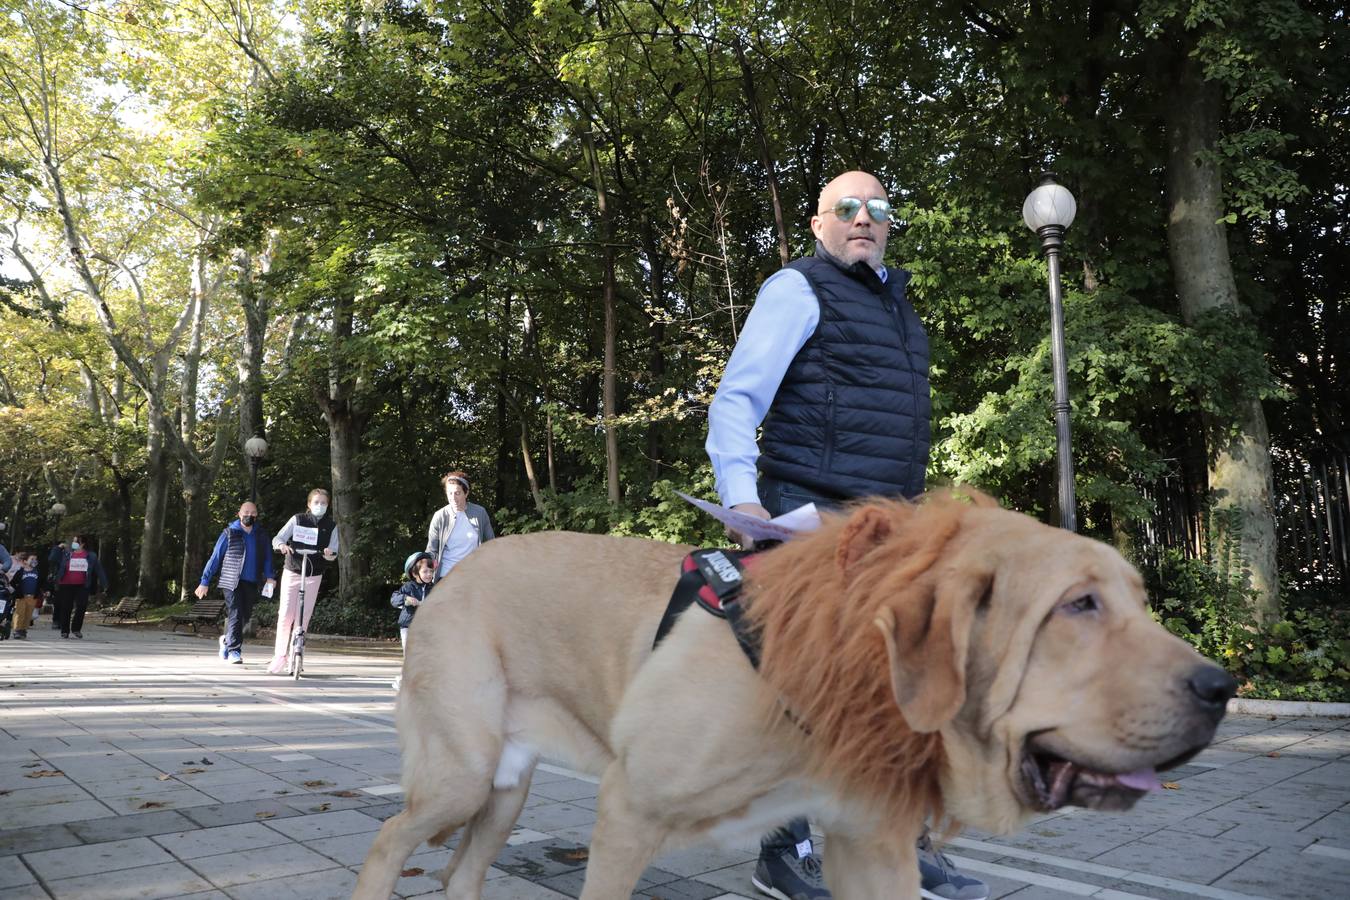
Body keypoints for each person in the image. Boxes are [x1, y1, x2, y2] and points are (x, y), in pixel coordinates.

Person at [706, 171, 988, 900]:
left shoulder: (895, 304)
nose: (864, 219)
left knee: (899, 684)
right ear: (818, 222)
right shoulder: (797, 289)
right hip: (807, 514)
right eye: (847, 208)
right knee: (808, 687)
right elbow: (737, 399)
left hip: (885, 524)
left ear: (891, 222)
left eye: (878, 209)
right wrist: (746, 502)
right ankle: (783, 850)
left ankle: (895, 845)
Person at [266, 489, 339, 674]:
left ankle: (296, 655)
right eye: (316, 502)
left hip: (314, 573)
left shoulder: (331, 525)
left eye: (323, 503)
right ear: (309, 504)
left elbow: (334, 551)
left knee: (303, 618)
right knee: (285, 615)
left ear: (328, 505)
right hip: (294, 569)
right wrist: (282, 546)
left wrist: (329, 553)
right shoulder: (298, 519)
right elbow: (279, 538)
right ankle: (280, 656)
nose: (320, 506)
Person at [197, 501, 275, 665]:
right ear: (239, 514)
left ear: (257, 515)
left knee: (245, 616)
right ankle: (234, 650)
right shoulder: (229, 533)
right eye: (246, 512)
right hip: (231, 581)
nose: (249, 515)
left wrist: (270, 577)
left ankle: (226, 641)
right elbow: (215, 558)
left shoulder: (261, 535)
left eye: (253, 512)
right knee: (236, 613)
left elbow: (268, 557)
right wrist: (204, 581)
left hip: (251, 581)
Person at [425, 471, 495, 582]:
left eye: (457, 493)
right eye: (450, 493)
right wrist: (428, 571)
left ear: (466, 493)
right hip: (446, 576)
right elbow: (432, 551)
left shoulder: (480, 513)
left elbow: (491, 543)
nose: (453, 497)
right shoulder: (439, 516)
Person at [388, 551, 434, 691]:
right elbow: (394, 599)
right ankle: (402, 681)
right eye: (425, 571)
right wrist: (406, 600)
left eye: (431, 571)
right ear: (415, 573)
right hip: (408, 627)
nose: (429, 574)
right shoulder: (408, 587)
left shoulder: (434, 588)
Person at [50, 534, 109, 639]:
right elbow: (52, 558)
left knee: (81, 606)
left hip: (82, 585)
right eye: (73, 541)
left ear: (83, 544)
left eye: (76, 541)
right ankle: (64, 630)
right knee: (66, 607)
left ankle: (76, 629)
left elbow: (98, 570)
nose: (74, 543)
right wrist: (58, 547)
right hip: (66, 584)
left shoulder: (90, 556)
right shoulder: (67, 554)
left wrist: (105, 584)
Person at [11, 553, 42, 639]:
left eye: (35, 559)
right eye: (31, 559)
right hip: (22, 597)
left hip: (32, 597)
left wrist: (44, 590)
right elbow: (13, 582)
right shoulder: (20, 572)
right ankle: (17, 630)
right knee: (20, 613)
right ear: (25, 561)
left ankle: (23, 630)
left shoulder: (37, 572)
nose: (34, 561)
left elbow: (41, 583)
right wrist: (17, 591)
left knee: (28, 614)